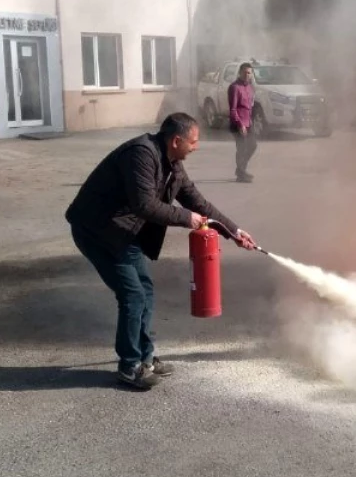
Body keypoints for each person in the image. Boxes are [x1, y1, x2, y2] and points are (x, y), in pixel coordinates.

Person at [65, 112, 257, 389]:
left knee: (145, 290)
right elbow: (145, 205)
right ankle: (130, 366)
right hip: (97, 231)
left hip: (123, 232)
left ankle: (146, 356)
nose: (197, 147)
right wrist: (185, 218)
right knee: (132, 295)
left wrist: (233, 232)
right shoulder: (141, 155)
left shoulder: (172, 162)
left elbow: (196, 200)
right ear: (176, 140)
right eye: (193, 141)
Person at [227, 62, 258, 183]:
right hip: (238, 123)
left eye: (249, 73)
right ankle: (241, 174)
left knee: (253, 145)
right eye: (244, 72)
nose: (247, 75)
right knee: (241, 148)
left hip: (248, 122)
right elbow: (233, 109)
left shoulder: (249, 87)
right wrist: (240, 125)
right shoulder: (234, 87)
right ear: (239, 72)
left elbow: (250, 106)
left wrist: (250, 122)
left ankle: (240, 169)